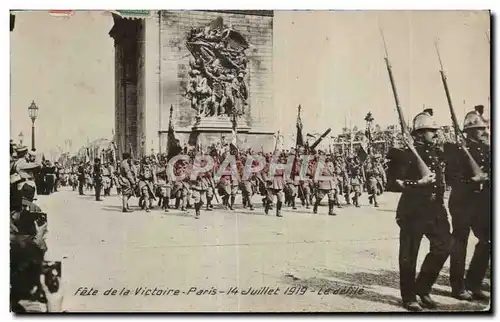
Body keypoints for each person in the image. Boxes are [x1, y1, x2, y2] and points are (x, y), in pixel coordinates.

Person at [389, 109, 453, 311]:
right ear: (419, 133)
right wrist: (417, 182)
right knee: (409, 255)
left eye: (436, 130)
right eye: (431, 130)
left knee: (445, 246)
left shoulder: (435, 153)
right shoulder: (405, 154)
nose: (436, 133)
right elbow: (392, 183)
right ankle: (409, 297)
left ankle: (422, 288)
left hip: (436, 210)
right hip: (413, 211)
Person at [447, 105, 491, 301]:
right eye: (481, 129)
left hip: (482, 202)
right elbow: (451, 178)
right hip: (462, 202)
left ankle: (474, 282)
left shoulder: (488, 150)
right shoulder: (457, 151)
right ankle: (458, 287)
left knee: (488, 241)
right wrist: (471, 181)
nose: (485, 132)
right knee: (460, 243)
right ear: (472, 131)